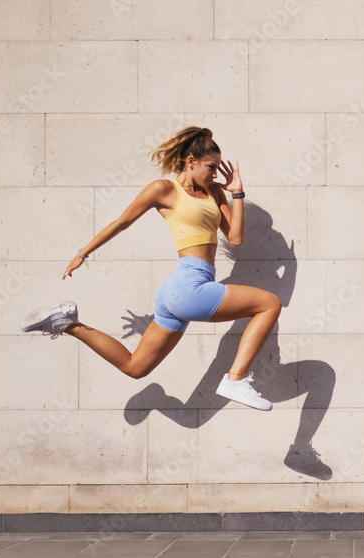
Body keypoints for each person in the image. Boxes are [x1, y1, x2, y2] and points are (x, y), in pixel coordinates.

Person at [19, 127, 282, 411]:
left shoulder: (215, 192)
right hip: (187, 285)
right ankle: (236, 378)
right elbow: (122, 222)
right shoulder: (164, 190)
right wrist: (83, 253)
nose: (215, 174)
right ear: (191, 161)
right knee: (270, 304)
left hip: (179, 290)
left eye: (217, 168)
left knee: (135, 367)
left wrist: (237, 193)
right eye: (211, 167)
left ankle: (67, 323)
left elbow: (236, 238)